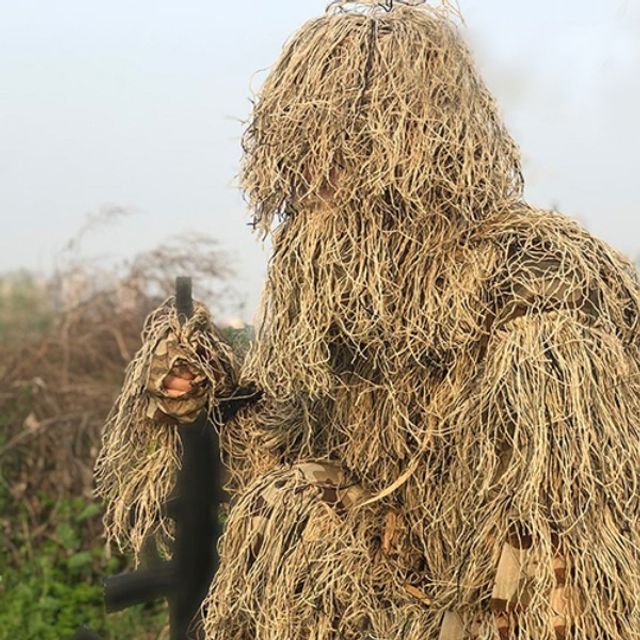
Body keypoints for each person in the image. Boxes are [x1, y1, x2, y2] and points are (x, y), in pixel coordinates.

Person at [97, 1, 640, 638]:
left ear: (413, 147)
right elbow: (289, 454)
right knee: (285, 510)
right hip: (396, 599)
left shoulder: (539, 310)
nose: (306, 194)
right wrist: (204, 401)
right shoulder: (359, 318)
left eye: (332, 162)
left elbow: (569, 576)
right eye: (296, 168)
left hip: (476, 611)